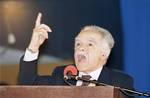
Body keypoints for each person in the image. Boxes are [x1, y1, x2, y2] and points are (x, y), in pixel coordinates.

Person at [18, 12, 134, 90]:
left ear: (104, 53)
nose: (80, 48)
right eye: (78, 44)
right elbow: (28, 85)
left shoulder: (120, 82)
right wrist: (33, 47)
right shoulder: (63, 74)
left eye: (90, 44)